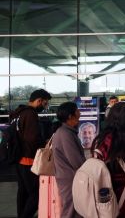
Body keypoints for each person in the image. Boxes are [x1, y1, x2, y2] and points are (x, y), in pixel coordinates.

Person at [13, 89, 52, 218]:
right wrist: (44, 143)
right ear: (39, 100)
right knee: (36, 194)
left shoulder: (18, 113)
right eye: (45, 103)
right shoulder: (31, 114)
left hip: (18, 159)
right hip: (28, 159)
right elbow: (32, 138)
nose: (45, 106)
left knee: (23, 192)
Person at [52, 102, 86, 218]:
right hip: (69, 179)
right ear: (70, 116)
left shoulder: (66, 132)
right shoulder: (66, 134)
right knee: (70, 209)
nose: (79, 112)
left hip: (68, 177)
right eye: (77, 110)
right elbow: (76, 161)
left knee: (74, 209)